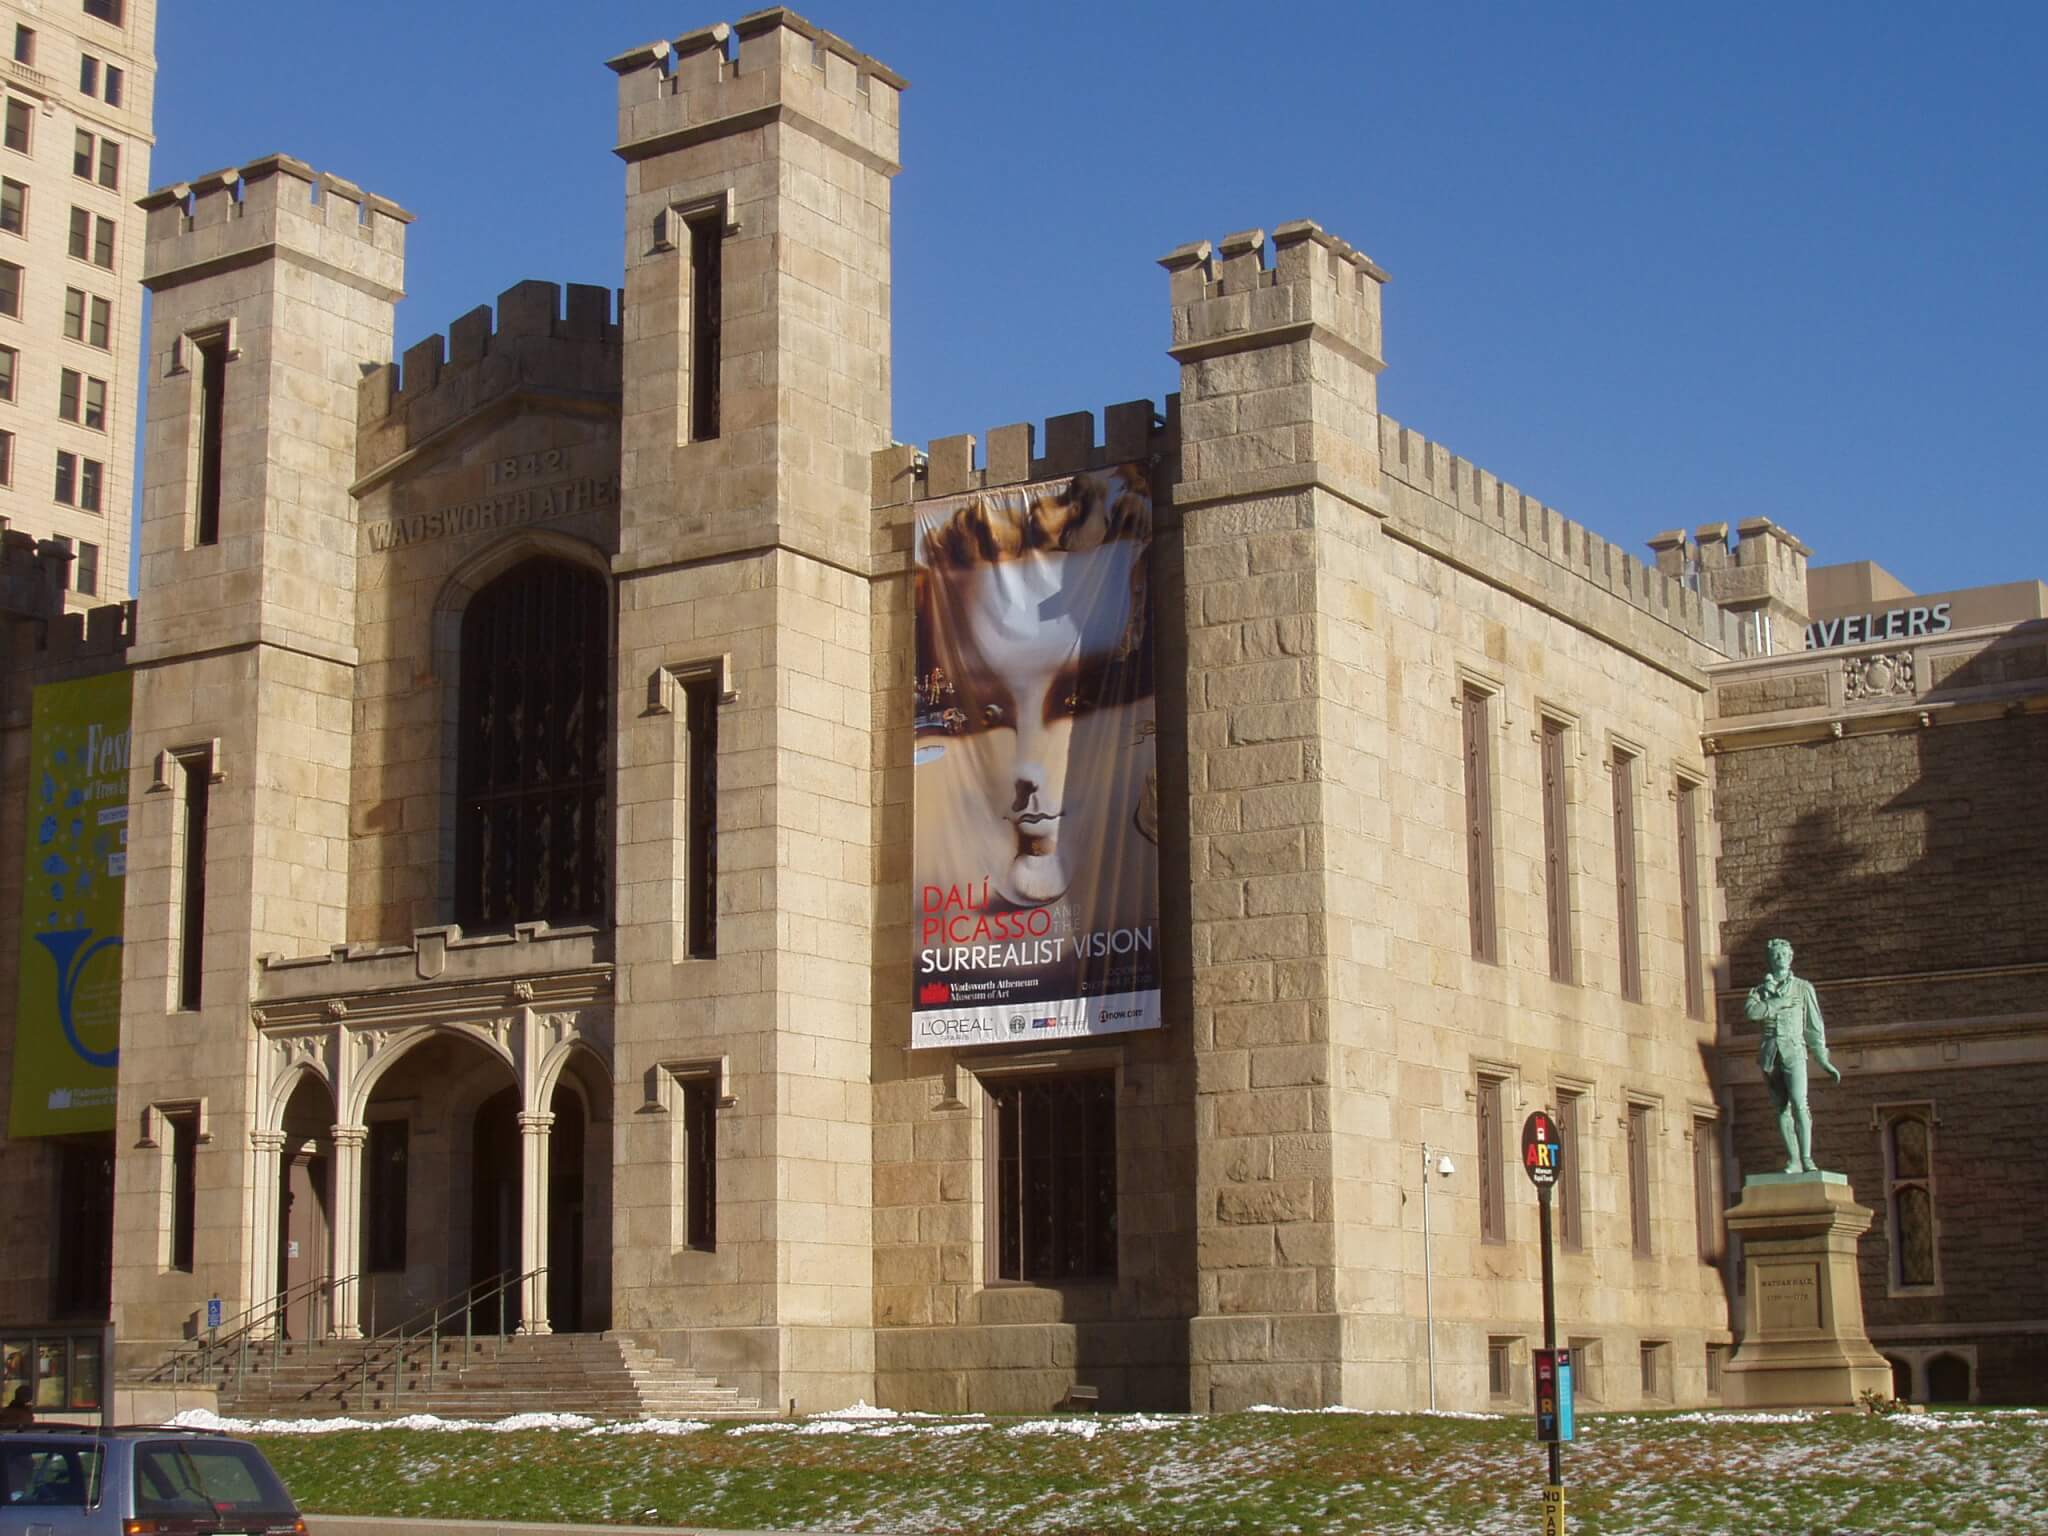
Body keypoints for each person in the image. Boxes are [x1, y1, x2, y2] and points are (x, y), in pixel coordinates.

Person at [1745, 938, 1842, 1173]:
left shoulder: (1803, 987)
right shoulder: (1759, 990)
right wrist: (1779, 1002)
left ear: (1790, 957)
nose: (1779, 958)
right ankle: (1794, 1159)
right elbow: (1751, 1013)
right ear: (1769, 959)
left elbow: (1814, 1026)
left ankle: (1807, 1157)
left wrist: (1823, 1059)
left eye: (1783, 955)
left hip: (1794, 1051)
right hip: (1770, 1054)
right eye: (1775, 955)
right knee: (1782, 1108)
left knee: (1800, 1102)